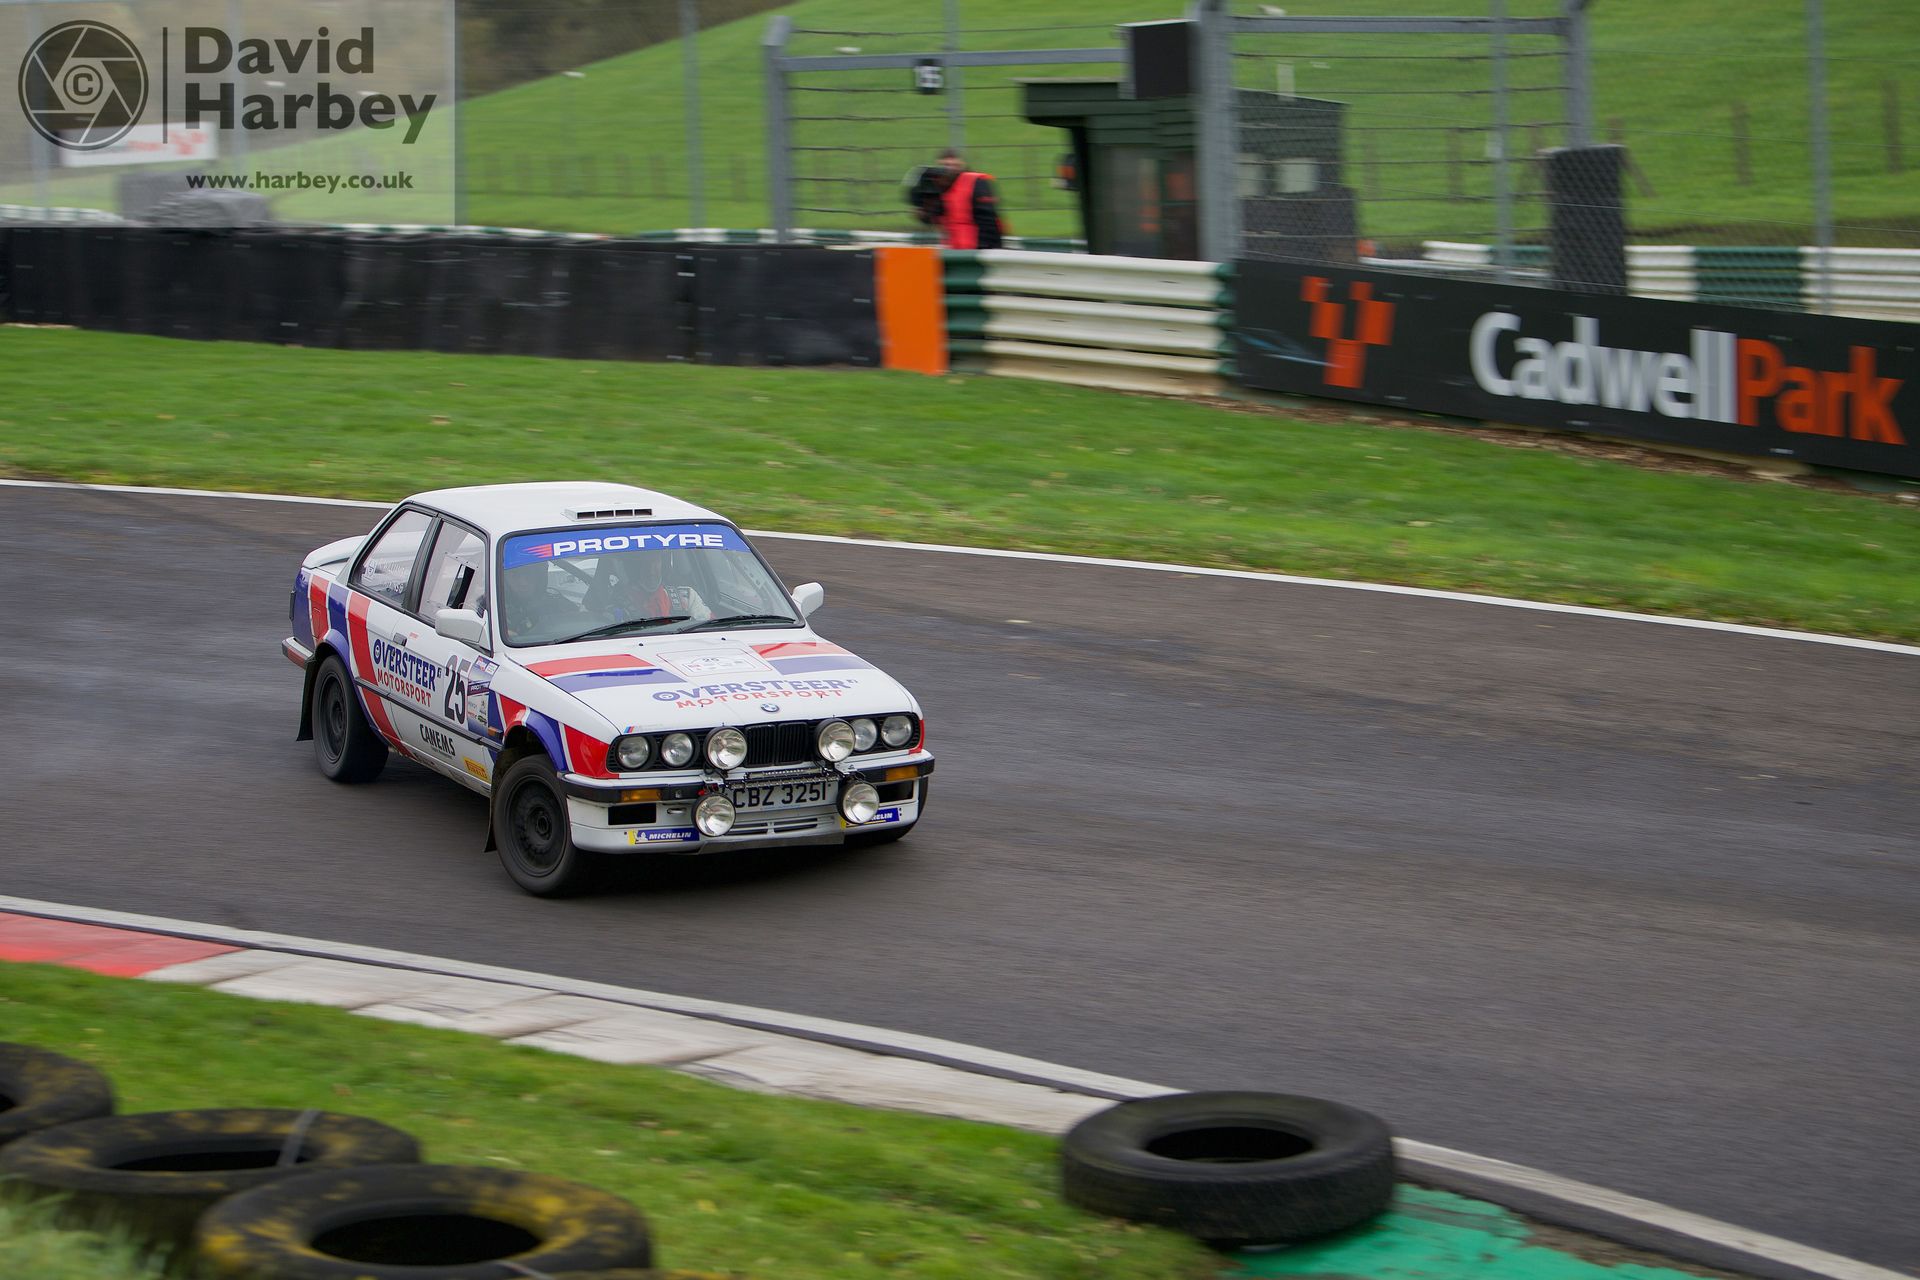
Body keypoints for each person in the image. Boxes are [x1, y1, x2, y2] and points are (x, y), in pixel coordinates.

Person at [913, 148, 1005, 250]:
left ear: (961, 164)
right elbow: (932, 217)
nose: (949, 169)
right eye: (945, 165)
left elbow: (989, 220)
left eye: (953, 165)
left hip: (977, 248)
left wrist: (988, 249)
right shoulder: (939, 186)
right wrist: (921, 209)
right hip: (953, 248)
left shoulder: (976, 182)